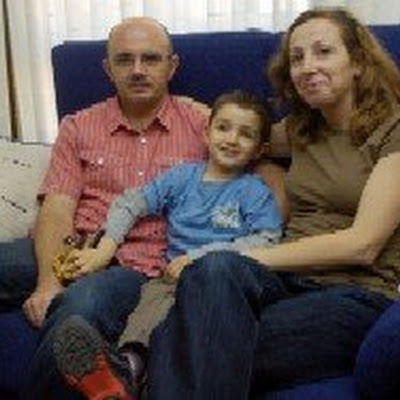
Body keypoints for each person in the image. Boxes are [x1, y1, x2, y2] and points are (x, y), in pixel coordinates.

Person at [141, 7, 400, 399]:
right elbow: (237, 133)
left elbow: (362, 244)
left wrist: (242, 255)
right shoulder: (300, 130)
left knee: (197, 335)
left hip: (355, 292)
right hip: (283, 281)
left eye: (323, 51)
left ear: (358, 62)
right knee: (213, 274)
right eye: (297, 58)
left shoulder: (392, 129)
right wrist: (172, 103)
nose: (307, 67)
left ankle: (133, 373)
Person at [0, 16, 210, 400]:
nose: (138, 70)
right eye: (124, 60)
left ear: (172, 66)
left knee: (80, 307)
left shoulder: (204, 127)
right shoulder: (79, 125)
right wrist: (48, 281)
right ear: (108, 69)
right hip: (72, 247)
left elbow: (259, 158)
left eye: (151, 59)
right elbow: (58, 206)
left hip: (135, 266)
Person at [51, 90, 283, 400]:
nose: (232, 139)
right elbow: (130, 203)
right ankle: (126, 369)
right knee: (150, 309)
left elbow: (267, 239)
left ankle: (137, 379)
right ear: (206, 132)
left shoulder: (254, 191)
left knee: (186, 319)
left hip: (222, 284)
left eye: (246, 134)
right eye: (223, 127)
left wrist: (198, 257)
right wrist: (106, 247)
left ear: (260, 149)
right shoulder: (183, 178)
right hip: (170, 279)